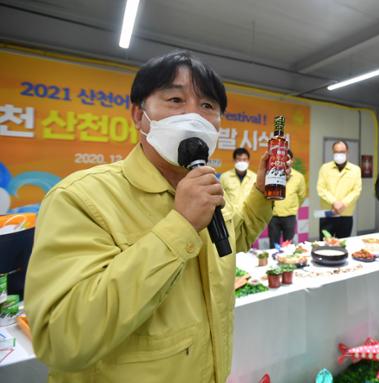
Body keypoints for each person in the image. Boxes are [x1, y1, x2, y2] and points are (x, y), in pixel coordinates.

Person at [24, 51, 279, 383]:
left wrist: (260, 192)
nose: (194, 116)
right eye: (175, 99)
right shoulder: (80, 198)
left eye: (207, 106)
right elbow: (61, 338)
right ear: (138, 115)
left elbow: (231, 240)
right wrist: (181, 227)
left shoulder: (205, 184)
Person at [316, 140, 362, 238]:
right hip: (328, 214)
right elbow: (321, 189)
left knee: (343, 244)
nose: (339, 154)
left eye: (342, 152)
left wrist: (343, 203)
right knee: (325, 245)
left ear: (347, 151)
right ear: (333, 152)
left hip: (346, 214)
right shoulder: (325, 168)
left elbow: (356, 191)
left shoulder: (355, 169)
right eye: (337, 152)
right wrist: (334, 202)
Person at [268, 149, 307, 248]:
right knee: (273, 246)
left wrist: (292, 207)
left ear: (291, 160)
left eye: (287, 158)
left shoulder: (299, 177)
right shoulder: (271, 175)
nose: (284, 161)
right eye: (281, 158)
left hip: (290, 217)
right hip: (273, 217)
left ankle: (288, 262)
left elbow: (301, 196)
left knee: (288, 246)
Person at [220, 147, 257, 211]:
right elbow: (220, 197)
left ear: (248, 161)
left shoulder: (255, 177)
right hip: (230, 217)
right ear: (234, 161)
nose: (242, 162)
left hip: (249, 216)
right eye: (239, 159)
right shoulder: (224, 177)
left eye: (244, 159)